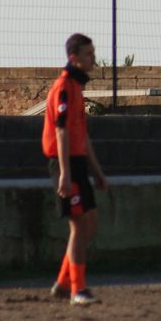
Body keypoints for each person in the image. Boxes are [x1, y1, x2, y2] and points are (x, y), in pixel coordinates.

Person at [42, 33, 109, 307]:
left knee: (89, 224)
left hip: (78, 162)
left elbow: (82, 135)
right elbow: (61, 131)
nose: (93, 58)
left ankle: (62, 283)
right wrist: (65, 174)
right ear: (74, 57)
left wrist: (97, 172)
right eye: (88, 54)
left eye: (93, 53)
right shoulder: (64, 87)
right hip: (65, 163)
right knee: (79, 226)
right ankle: (77, 290)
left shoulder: (76, 87)